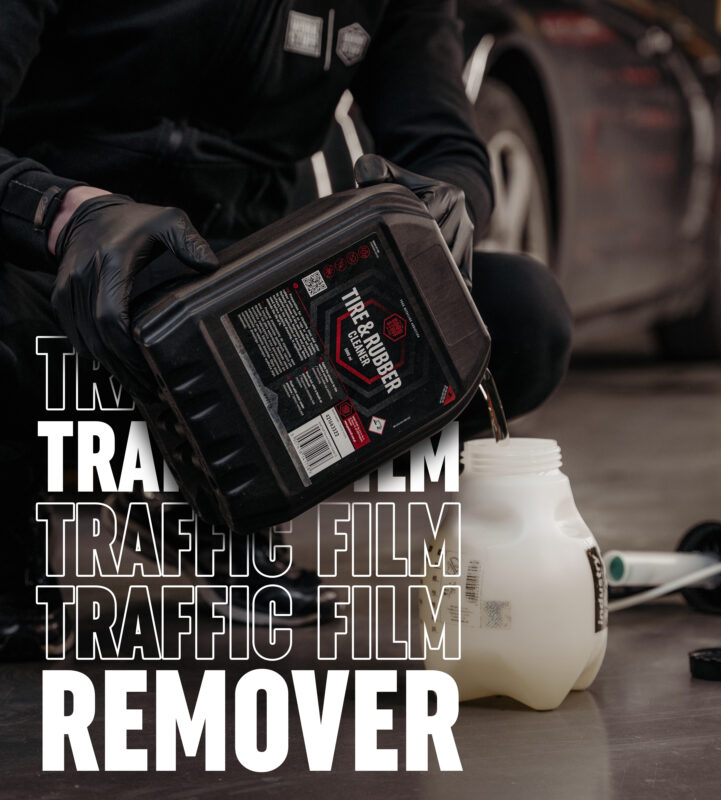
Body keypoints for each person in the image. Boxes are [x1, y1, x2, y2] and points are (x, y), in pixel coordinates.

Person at [0, 0, 572, 659]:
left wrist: (449, 198)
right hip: (56, 278)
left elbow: (440, 140)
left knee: (519, 319)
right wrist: (60, 212)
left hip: (244, 297)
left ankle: (219, 504)